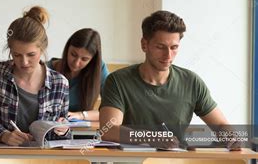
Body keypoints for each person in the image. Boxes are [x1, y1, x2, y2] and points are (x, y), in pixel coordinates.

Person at [99, 10, 239, 149]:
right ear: (144, 45)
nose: (168, 55)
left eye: (174, 47)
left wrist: (231, 137)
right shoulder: (118, 81)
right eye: (160, 47)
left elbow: (220, 125)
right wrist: (152, 138)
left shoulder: (191, 82)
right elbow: (108, 130)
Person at [0, 6, 70, 146]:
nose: (24, 62)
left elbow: (65, 138)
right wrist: (3, 136)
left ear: (42, 49)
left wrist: (63, 131)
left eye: (31, 55)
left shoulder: (60, 83)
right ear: (10, 50)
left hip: (43, 159)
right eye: (17, 55)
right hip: (1, 157)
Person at [47, 28, 108, 121]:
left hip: (80, 130)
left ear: (92, 60)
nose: (76, 63)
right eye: (73, 54)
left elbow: (110, 112)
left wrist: (81, 115)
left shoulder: (99, 69)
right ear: (67, 49)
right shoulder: (47, 69)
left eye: (84, 59)